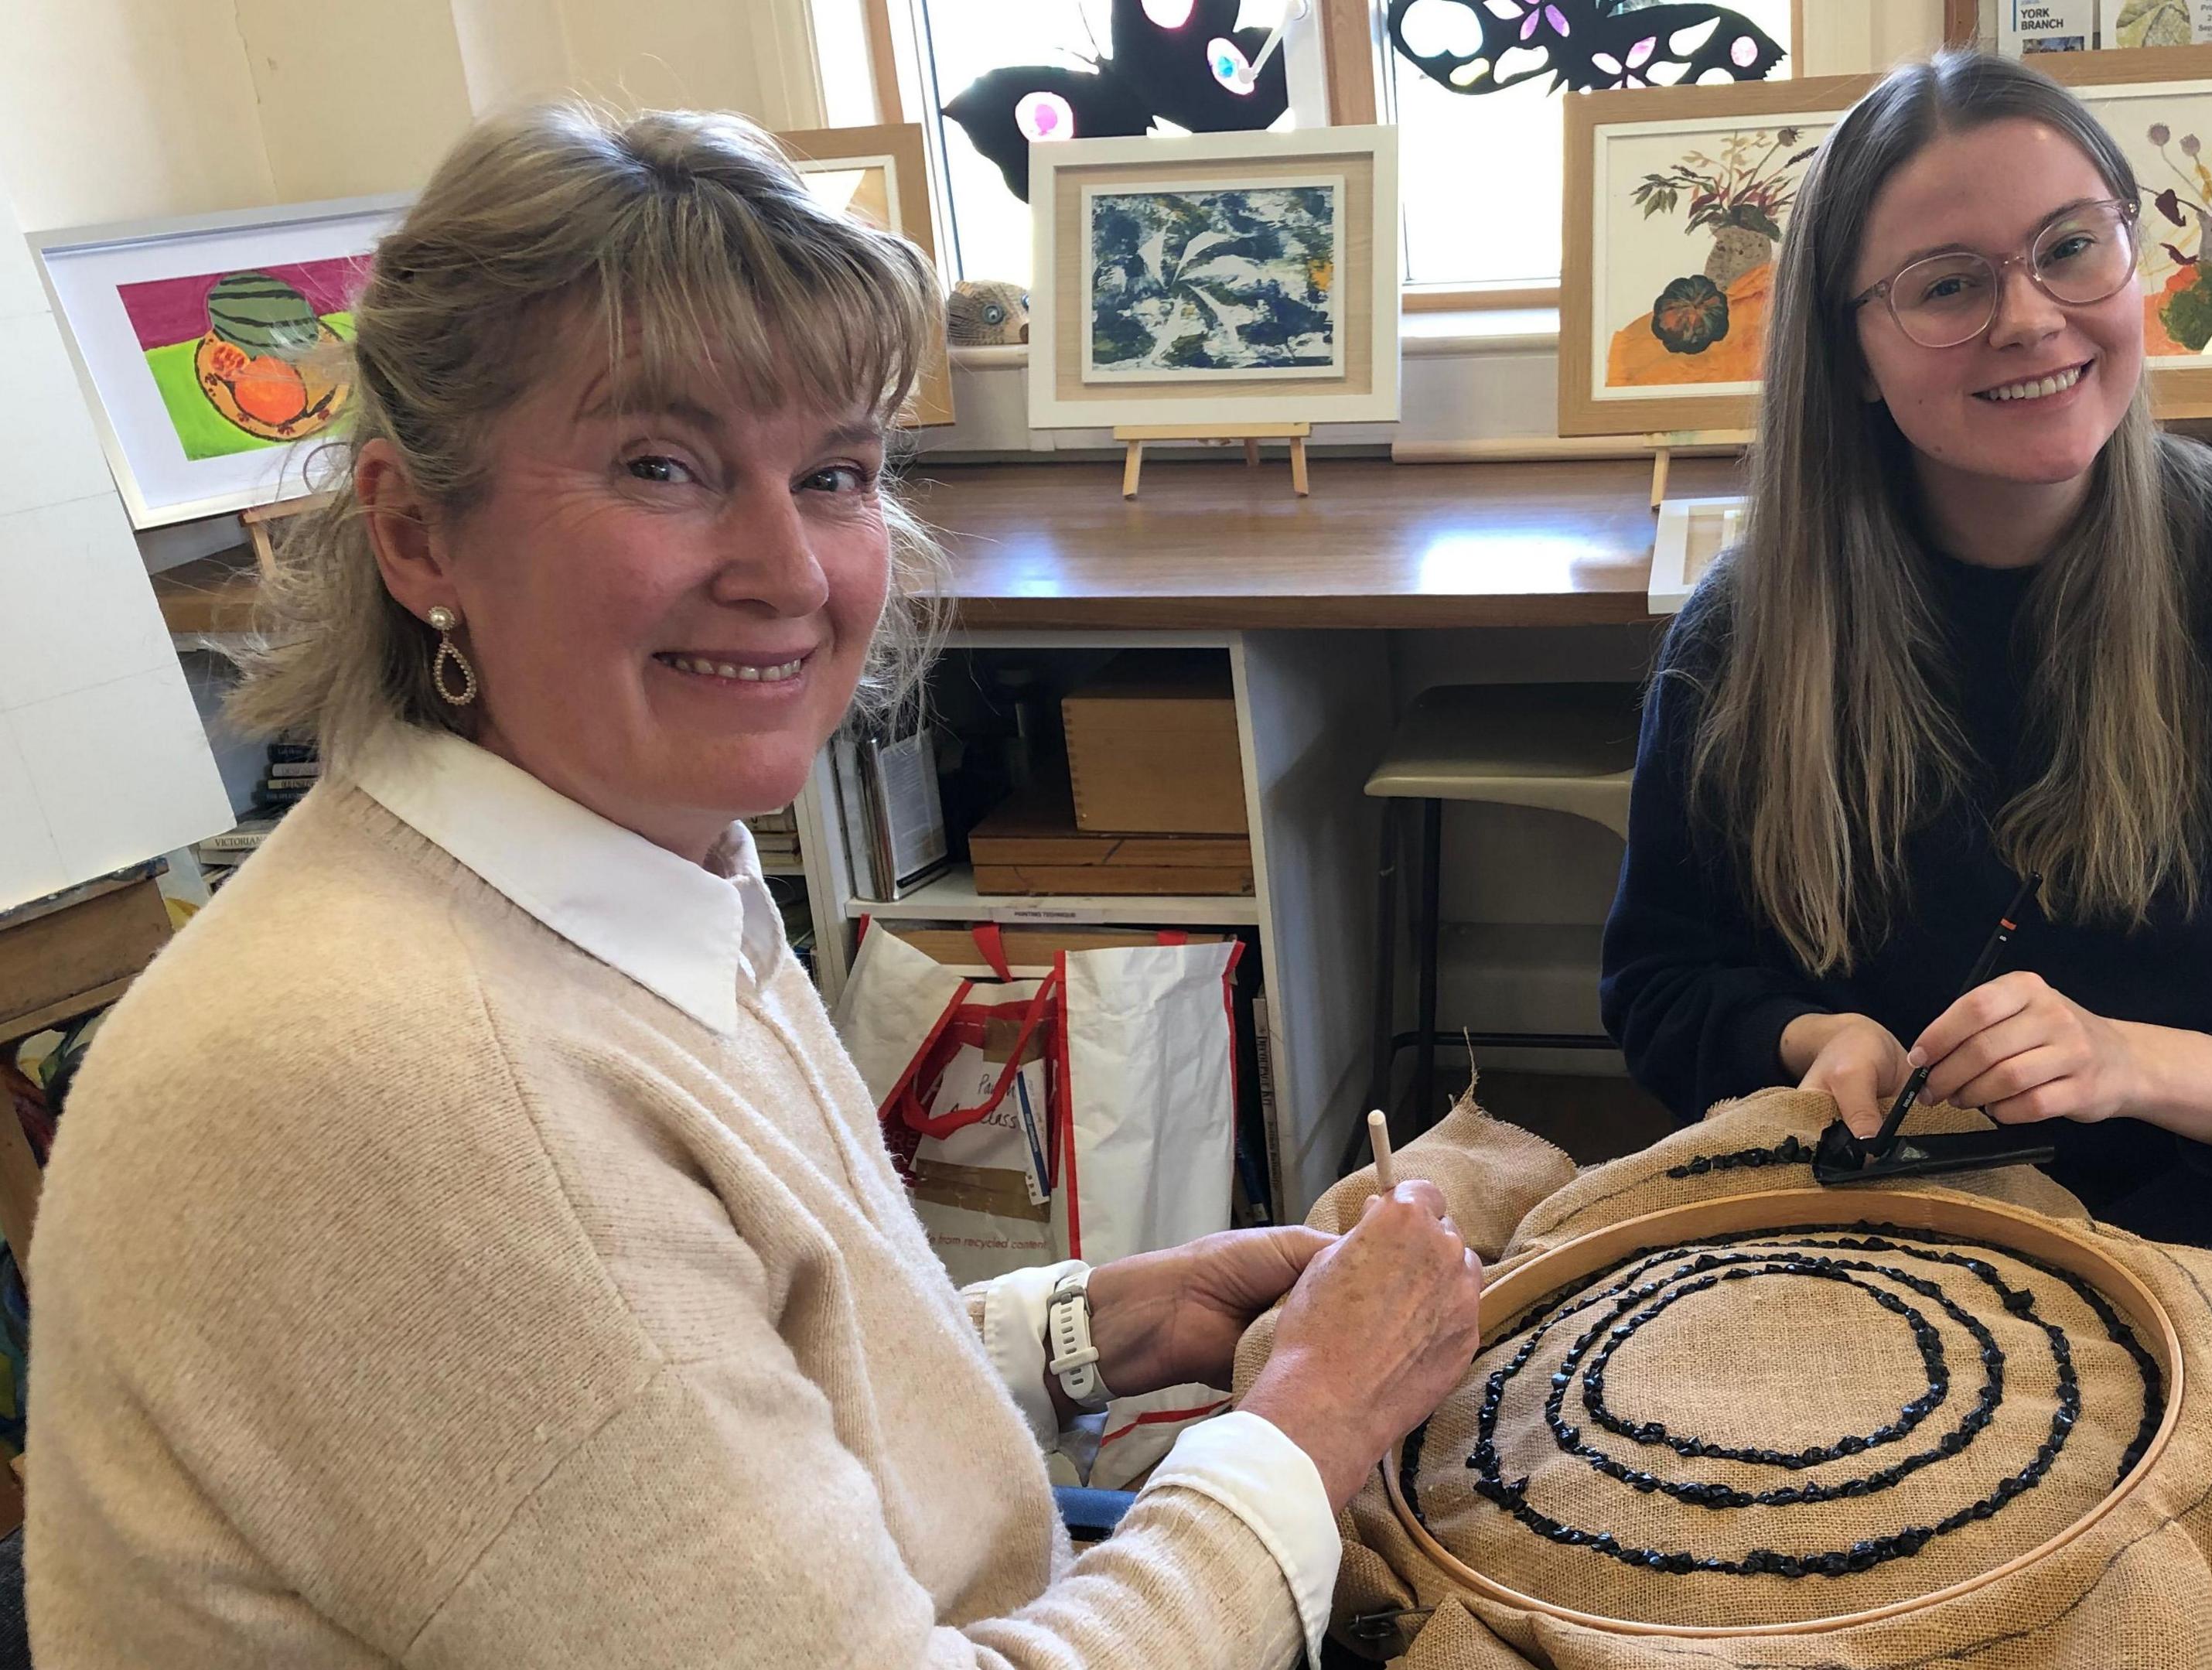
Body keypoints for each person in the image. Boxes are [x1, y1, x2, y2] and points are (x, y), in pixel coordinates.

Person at [28, 104, 1481, 1668]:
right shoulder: (402, 1085)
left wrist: (1097, 1328)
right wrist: (1305, 1431)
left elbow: (684, 1405)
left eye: (838, 474)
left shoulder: (620, 878)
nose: (788, 570)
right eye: (666, 466)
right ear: (414, 532)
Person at [1601, 51, 2212, 1300]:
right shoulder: (1743, 639)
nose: (2026, 316)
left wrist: (2137, 1066)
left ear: (2135, 259)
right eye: (1947, 285)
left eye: (2071, 248)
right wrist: (1812, 1040)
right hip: (1905, 1233)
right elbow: (1662, 983)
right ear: (1849, 352)